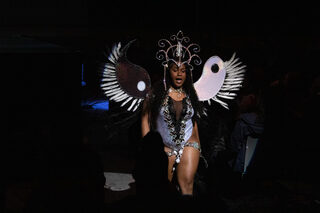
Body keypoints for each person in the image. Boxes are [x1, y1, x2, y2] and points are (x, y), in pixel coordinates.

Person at [141, 59, 204, 197]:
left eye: (183, 71)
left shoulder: (191, 93)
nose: (179, 74)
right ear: (168, 71)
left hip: (188, 142)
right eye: (175, 70)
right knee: (163, 188)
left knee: (186, 185)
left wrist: (196, 141)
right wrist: (147, 146)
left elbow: (194, 120)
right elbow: (145, 117)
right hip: (163, 146)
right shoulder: (156, 91)